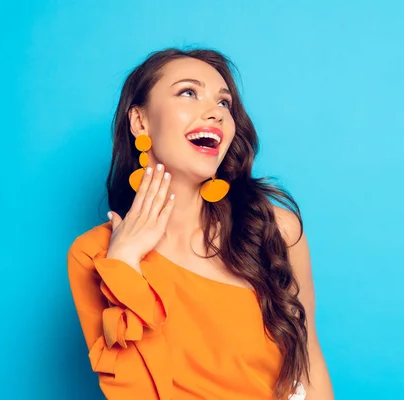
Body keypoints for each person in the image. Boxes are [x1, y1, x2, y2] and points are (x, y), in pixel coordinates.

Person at [66, 48, 334, 400]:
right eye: (188, 93)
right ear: (140, 122)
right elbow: (131, 390)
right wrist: (124, 264)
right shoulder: (94, 256)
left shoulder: (275, 231)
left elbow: (308, 362)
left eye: (224, 103)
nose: (215, 113)